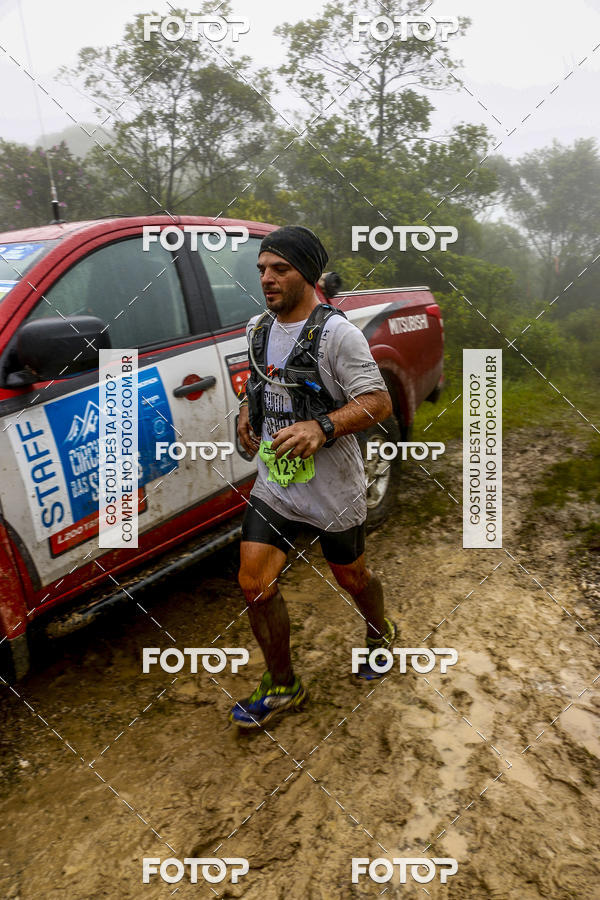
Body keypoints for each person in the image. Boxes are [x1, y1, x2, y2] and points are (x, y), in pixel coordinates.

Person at [229, 225, 396, 729]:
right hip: (277, 483)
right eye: (262, 269)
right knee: (254, 582)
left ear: (308, 273)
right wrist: (244, 414)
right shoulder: (257, 329)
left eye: (280, 268)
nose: (267, 278)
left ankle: (380, 631)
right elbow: (258, 384)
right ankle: (283, 685)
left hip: (333, 488)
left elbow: (378, 402)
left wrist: (322, 427)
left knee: (352, 577)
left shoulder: (337, 335)